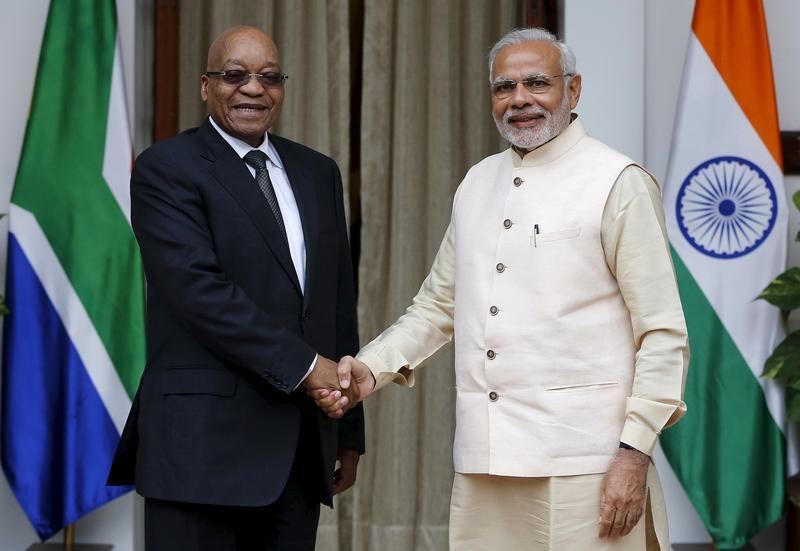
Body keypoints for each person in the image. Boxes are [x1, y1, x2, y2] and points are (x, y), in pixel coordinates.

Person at [313, 27, 689, 551]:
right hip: (486, 459)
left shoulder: (616, 179)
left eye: (537, 83)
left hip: (586, 462)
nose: (520, 100)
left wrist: (634, 453)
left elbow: (664, 334)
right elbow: (438, 306)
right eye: (503, 87)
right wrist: (368, 370)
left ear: (573, 90)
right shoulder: (478, 182)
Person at [107, 26, 364, 551]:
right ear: (206, 86)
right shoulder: (166, 169)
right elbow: (199, 293)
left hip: (297, 452)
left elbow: (335, 302)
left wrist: (348, 430)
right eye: (235, 75)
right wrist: (308, 369)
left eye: (269, 77)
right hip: (201, 455)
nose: (253, 88)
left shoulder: (318, 172)